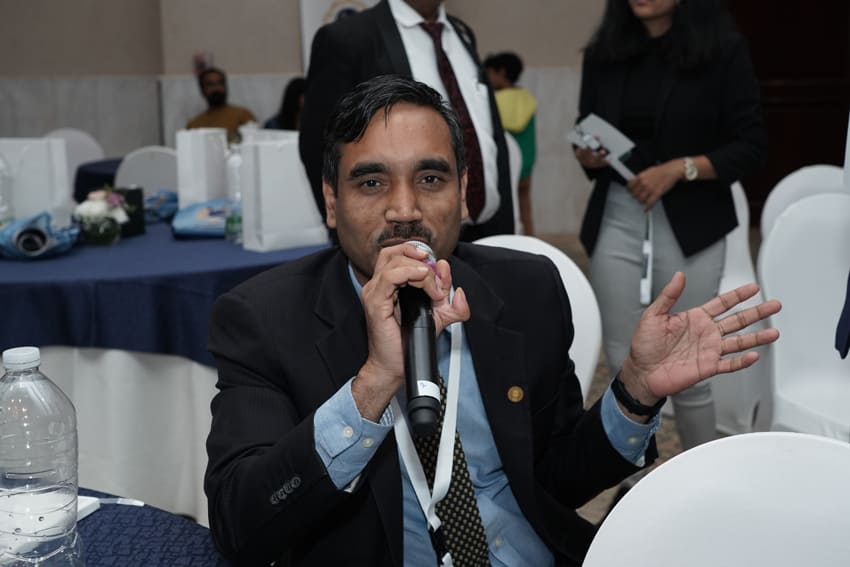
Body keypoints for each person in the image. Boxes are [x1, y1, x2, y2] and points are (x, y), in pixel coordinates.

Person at [205, 75, 780, 566]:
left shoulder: (527, 288)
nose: (404, 209)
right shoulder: (263, 319)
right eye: (372, 182)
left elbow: (555, 479)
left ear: (463, 195)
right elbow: (241, 525)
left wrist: (633, 392)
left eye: (431, 179)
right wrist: (374, 383)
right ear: (331, 201)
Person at [574, 0, 767, 450]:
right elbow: (586, 128)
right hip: (618, 214)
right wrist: (587, 153)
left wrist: (681, 169)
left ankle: (701, 474)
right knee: (623, 361)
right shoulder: (604, 52)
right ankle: (634, 473)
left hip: (692, 219)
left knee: (688, 364)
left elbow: (751, 146)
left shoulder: (722, 50)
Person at [298, 0, 515, 240]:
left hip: (486, 231)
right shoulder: (347, 39)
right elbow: (317, 147)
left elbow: (489, 135)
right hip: (400, 238)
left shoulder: (461, 34)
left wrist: (505, 228)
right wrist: (349, 241)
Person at [484, 52, 537, 235]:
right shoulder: (526, 98)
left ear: (501, 72)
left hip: (507, 167)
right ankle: (531, 241)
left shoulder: (495, 100)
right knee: (525, 209)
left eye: (490, 73)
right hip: (527, 164)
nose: (487, 78)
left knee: (508, 211)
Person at [186, 67, 256, 143]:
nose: (216, 88)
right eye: (210, 84)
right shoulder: (194, 125)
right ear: (202, 90)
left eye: (220, 83)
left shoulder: (243, 115)